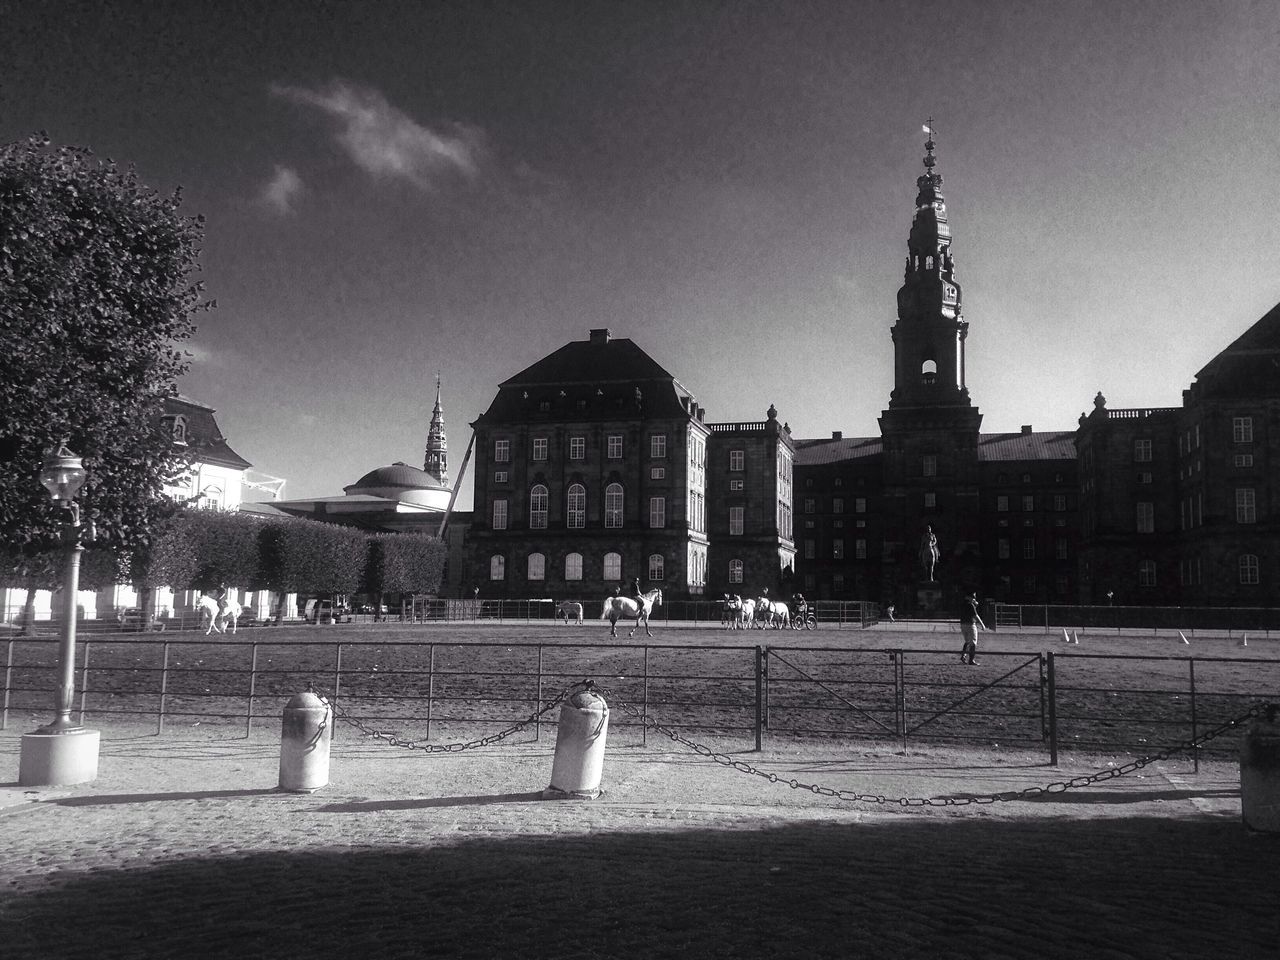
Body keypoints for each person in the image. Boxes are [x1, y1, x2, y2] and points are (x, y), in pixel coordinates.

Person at [959, 591, 986, 665]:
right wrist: (982, 624)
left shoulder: (962, 604)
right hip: (970, 625)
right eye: (972, 597)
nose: (973, 599)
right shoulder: (970, 605)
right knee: (973, 643)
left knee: (967, 641)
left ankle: (963, 655)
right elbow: (975, 615)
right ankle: (971, 660)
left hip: (963, 624)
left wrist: (974, 605)